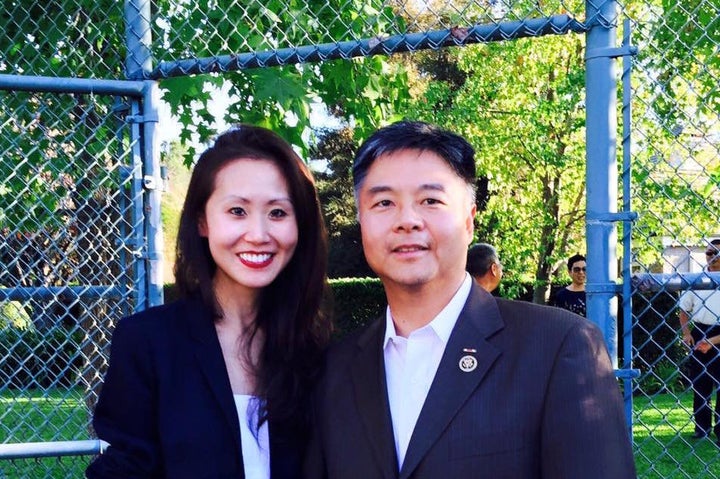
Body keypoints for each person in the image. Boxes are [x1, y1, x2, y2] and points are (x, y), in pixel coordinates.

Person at [305, 121, 636, 478]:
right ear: (361, 221)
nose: (407, 220)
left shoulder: (559, 346)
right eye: (383, 202)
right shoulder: (333, 371)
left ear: (469, 221)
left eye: (430, 200)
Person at [86, 125, 331, 479]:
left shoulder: (315, 352)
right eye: (237, 211)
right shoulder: (148, 343)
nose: (259, 234)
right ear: (203, 221)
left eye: (278, 213)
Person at [679, 239, 720, 442]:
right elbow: (683, 310)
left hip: (718, 333)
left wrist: (712, 341)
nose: (713, 257)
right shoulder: (698, 280)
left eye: (717, 253)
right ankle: (701, 428)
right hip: (700, 331)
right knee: (700, 383)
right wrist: (687, 333)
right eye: (709, 253)